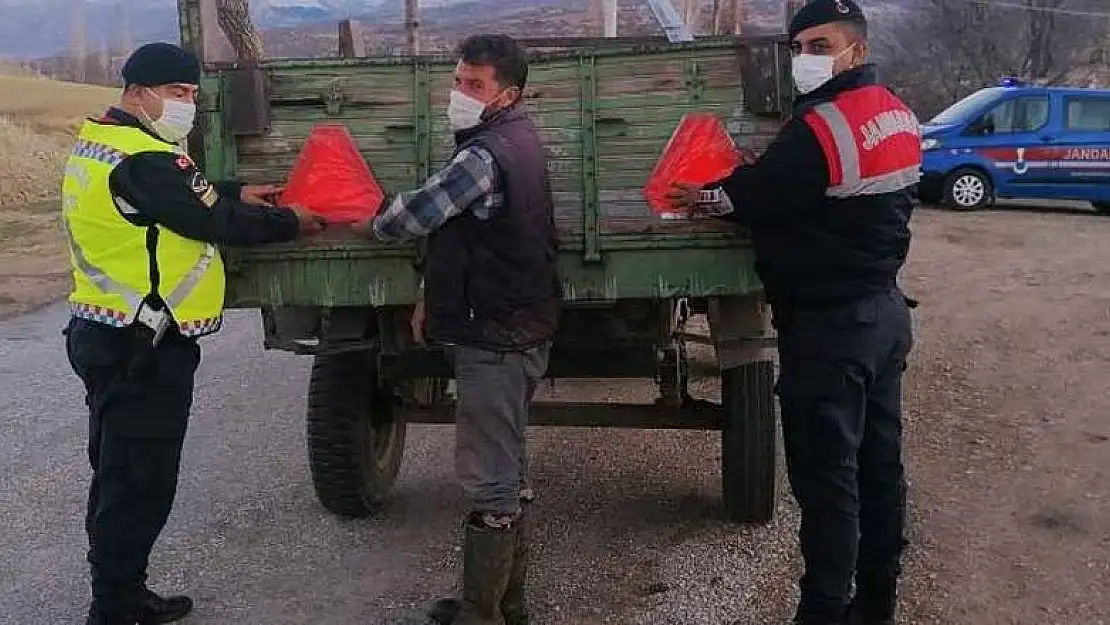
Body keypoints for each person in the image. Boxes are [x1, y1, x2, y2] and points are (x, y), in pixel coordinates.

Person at [666, 2, 921, 624]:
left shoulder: (822, 128)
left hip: (829, 329)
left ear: (854, 50)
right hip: (883, 315)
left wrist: (700, 196)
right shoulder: (896, 112)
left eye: (819, 45)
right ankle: (877, 605)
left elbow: (751, 197)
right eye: (799, 45)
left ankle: (825, 612)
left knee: (828, 484)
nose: (806, 58)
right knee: (879, 468)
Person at [61, 42, 325, 625]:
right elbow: (210, 219)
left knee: (122, 472)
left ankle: (121, 592)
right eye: (178, 94)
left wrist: (232, 190)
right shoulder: (145, 158)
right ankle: (115, 605)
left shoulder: (111, 143)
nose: (187, 106)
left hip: (111, 332)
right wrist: (289, 222)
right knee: (138, 479)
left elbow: (183, 199)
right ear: (138, 92)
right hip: (143, 343)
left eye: (192, 97)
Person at [355, 34, 561, 625]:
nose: (459, 93)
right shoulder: (519, 137)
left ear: (507, 94)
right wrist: (431, 294)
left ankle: (482, 612)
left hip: (494, 336)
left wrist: (364, 214)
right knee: (508, 463)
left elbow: (414, 217)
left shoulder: (483, 155)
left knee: (490, 476)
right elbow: (469, 238)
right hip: (519, 324)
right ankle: (505, 603)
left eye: (475, 85)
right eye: (457, 80)